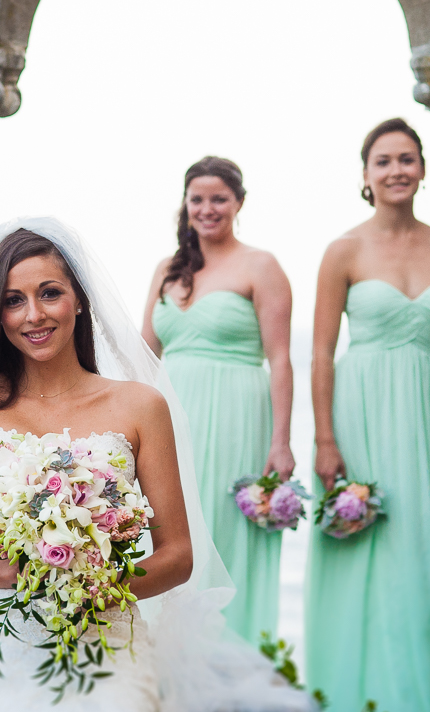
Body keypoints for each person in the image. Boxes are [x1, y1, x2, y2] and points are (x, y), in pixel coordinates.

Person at [0, 217, 316, 712]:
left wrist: (92, 584)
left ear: (79, 299)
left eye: (49, 293)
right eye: (13, 300)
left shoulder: (140, 406)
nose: (33, 314)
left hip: (104, 622)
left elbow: (177, 555)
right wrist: (27, 572)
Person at [304, 118, 430, 712]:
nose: (397, 170)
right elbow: (321, 352)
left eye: (407, 159)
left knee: (420, 555)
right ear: (366, 176)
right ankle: (351, 694)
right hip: (362, 411)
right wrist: (325, 440)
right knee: (365, 553)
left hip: (422, 418)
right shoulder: (343, 250)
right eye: (384, 161)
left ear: (422, 169)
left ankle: (419, 693)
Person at [141, 156, 294, 644]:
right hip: (170, 415)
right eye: (198, 199)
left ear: (239, 203)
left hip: (235, 414)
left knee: (222, 533)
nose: (207, 209)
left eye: (219, 199)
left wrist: (282, 442)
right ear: (186, 206)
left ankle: (231, 657)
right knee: (167, 528)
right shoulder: (168, 270)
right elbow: (143, 354)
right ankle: (168, 657)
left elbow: (281, 359)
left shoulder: (261, 265)